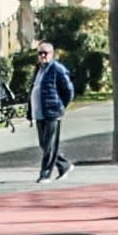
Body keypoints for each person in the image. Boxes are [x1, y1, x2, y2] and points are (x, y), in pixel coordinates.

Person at [26, 47, 75, 181]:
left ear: (52, 54)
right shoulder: (39, 69)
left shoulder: (57, 69)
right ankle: (64, 164)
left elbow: (68, 90)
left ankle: (45, 174)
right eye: (40, 53)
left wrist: (60, 106)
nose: (42, 56)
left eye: (45, 53)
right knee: (44, 144)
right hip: (39, 113)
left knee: (49, 144)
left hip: (52, 112)